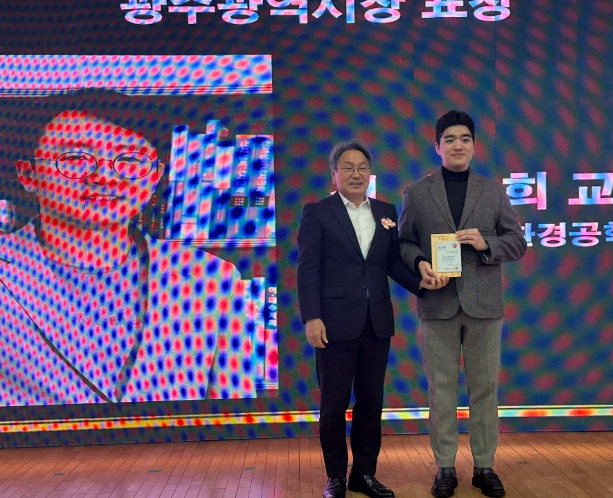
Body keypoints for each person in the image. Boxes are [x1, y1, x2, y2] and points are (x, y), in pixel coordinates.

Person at [0, 89, 254, 406]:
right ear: (29, 175)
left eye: (130, 160)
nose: (105, 176)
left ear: (155, 177)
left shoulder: (213, 278)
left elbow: (237, 415)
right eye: (76, 159)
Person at [297, 139, 438, 498]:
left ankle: (364, 474)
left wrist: (420, 284)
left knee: (371, 403)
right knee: (333, 405)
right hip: (333, 324)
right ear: (334, 173)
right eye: (348, 167)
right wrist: (312, 317)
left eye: (362, 167)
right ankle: (335, 477)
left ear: (370, 173)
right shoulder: (317, 213)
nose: (356, 173)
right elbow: (308, 269)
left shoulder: (384, 211)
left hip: (376, 323)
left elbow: (390, 264)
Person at [398, 110, 527, 498]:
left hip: (484, 306)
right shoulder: (417, 193)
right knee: (441, 391)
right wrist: (419, 264)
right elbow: (404, 243)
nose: (458, 145)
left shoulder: (493, 192)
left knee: (485, 388)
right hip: (437, 302)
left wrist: (486, 243)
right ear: (437, 146)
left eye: (465, 139)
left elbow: (517, 243)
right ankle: (445, 467)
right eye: (450, 139)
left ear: (474, 145)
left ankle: (485, 466)